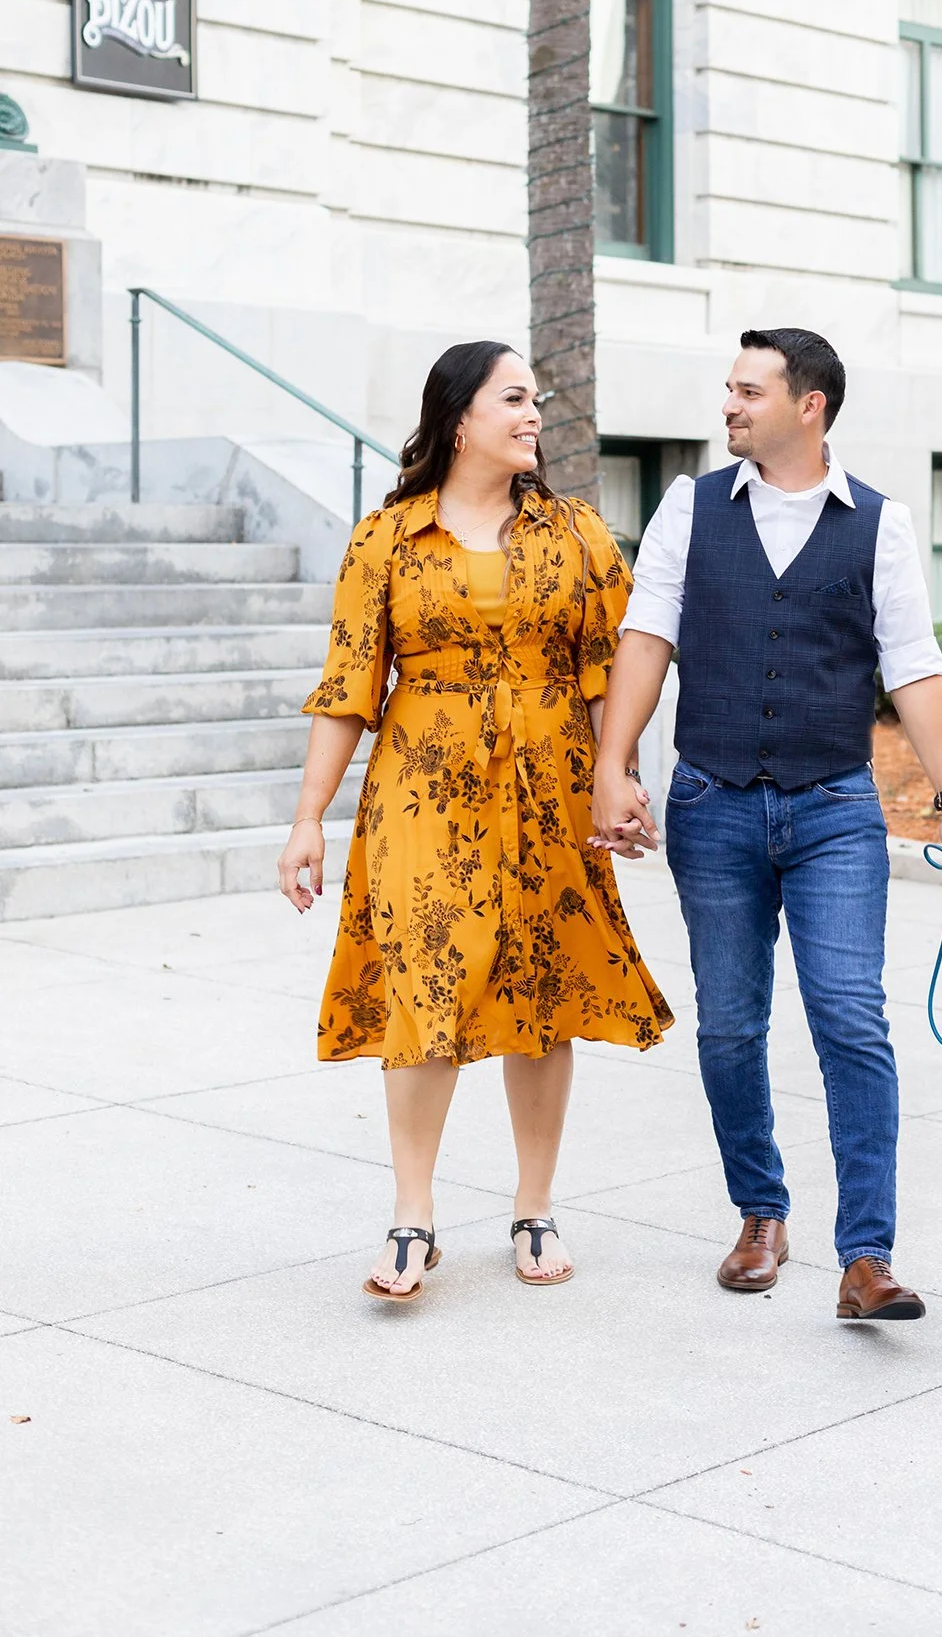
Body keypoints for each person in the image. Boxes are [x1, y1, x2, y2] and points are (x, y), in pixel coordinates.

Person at [591, 328, 942, 1321]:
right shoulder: (689, 506)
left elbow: (913, 667)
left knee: (850, 1021)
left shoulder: (877, 524)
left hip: (833, 812)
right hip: (711, 803)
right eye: (727, 387)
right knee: (728, 1026)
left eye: (747, 390)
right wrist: (612, 764)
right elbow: (647, 635)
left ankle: (866, 1257)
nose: (727, 405)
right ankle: (759, 1212)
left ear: (808, 406)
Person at [278, 341, 673, 1302]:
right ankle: (412, 1217)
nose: (535, 414)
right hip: (422, 786)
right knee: (424, 981)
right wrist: (307, 820)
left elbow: (616, 671)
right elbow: (348, 688)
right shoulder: (386, 539)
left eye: (535, 399)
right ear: (460, 420)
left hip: (549, 785)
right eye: (515, 399)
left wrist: (614, 775)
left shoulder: (576, 534)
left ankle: (534, 1204)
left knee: (540, 993)